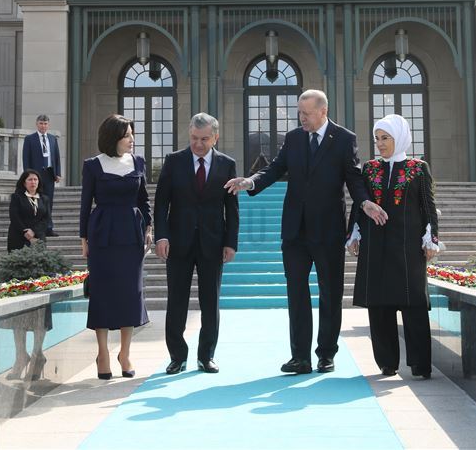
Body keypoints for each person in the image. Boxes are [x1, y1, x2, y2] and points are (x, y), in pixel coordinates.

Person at [225, 89, 387, 375]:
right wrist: (250, 182)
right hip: (295, 231)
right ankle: (300, 357)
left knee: (330, 293)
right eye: (299, 113)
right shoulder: (294, 138)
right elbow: (275, 169)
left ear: (323, 111)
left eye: (307, 114)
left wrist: (364, 202)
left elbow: (353, 178)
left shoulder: (344, 139)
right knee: (296, 293)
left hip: (329, 231)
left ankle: (326, 354)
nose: (301, 118)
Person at [346, 114, 439, 379]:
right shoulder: (370, 169)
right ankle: (386, 363)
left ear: (399, 137)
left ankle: (420, 365)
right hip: (375, 246)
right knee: (379, 305)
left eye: (385, 138)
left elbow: (428, 206)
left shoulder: (417, 168)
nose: (380, 143)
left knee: (414, 304)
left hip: (408, 248)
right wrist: (354, 234)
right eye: (377, 138)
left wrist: (430, 238)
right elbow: (360, 203)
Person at [154, 112, 239, 375]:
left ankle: (206, 356)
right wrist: (161, 236)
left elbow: (231, 208)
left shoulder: (227, 164)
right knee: (176, 301)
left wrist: (231, 242)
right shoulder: (174, 161)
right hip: (178, 243)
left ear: (215, 137)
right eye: (194, 138)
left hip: (212, 243)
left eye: (204, 139)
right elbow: (161, 203)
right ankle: (177, 357)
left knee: (210, 302)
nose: (198, 144)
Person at [79, 114, 152, 380]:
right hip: (102, 234)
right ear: (113, 138)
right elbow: (85, 203)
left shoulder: (138, 162)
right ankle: (102, 353)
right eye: (127, 135)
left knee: (131, 293)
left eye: (132, 134)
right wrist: (83, 239)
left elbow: (143, 199)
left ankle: (125, 353)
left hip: (131, 233)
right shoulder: (92, 165)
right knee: (102, 293)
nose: (132, 140)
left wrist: (148, 227)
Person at [2, 169, 52, 380]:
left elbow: (45, 220)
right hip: (17, 245)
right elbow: (14, 217)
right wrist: (26, 232)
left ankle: (38, 353)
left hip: (38, 247)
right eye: (29, 179)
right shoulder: (17, 198)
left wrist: (36, 234)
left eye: (35, 179)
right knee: (19, 302)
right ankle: (20, 355)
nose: (33, 182)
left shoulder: (44, 199)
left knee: (40, 303)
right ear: (23, 182)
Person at [22, 114, 61, 236]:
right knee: (35, 201)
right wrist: (27, 176)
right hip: (35, 175)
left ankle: (48, 228)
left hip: (49, 174)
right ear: (37, 124)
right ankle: (36, 228)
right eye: (41, 123)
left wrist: (58, 173)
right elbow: (26, 158)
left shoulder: (52, 139)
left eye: (45, 124)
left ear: (48, 125)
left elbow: (56, 157)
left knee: (48, 201)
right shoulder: (30, 139)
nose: (43, 126)